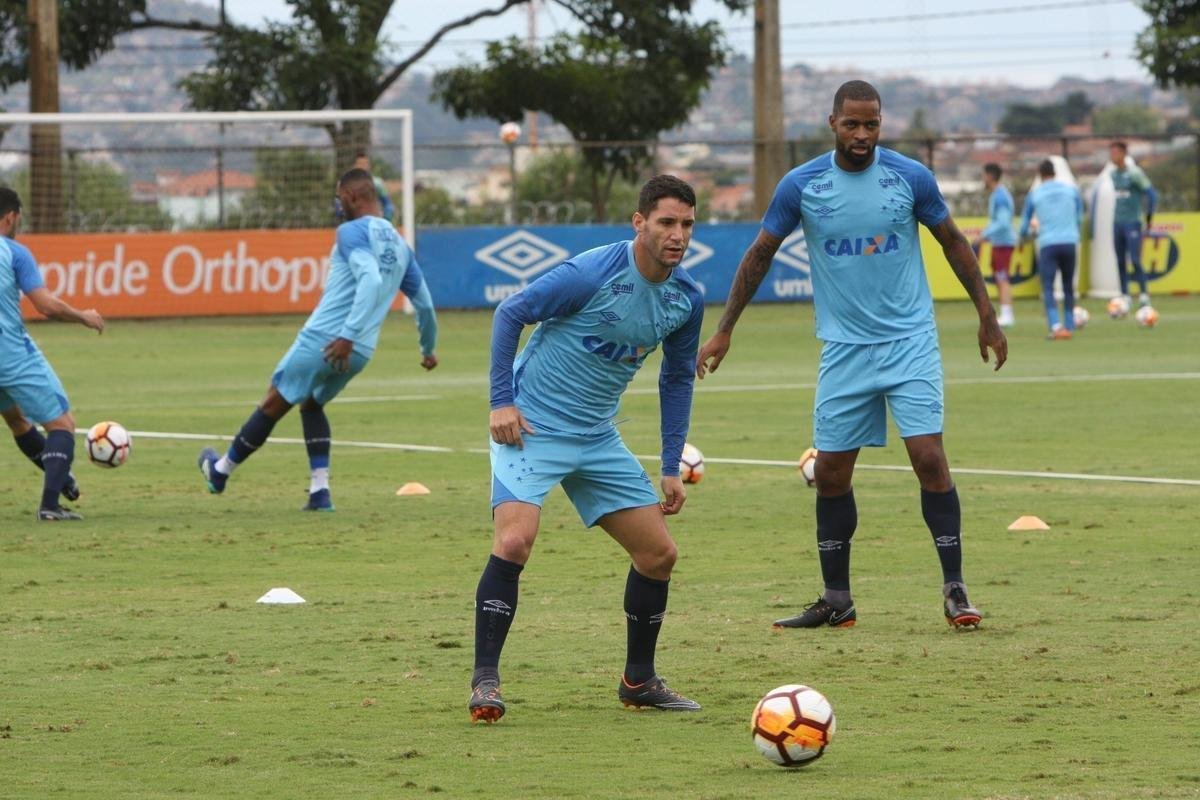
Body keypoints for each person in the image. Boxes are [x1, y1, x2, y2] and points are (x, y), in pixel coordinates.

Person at [695, 80, 1006, 632]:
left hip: (910, 341)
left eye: (872, 124)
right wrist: (724, 330)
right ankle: (836, 598)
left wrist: (986, 314)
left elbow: (953, 241)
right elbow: (761, 254)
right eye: (852, 124)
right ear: (832, 122)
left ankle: (955, 588)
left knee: (929, 458)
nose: (862, 135)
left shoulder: (909, 177)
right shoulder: (802, 184)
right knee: (832, 472)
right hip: (843, 350)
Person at [469, 174, 705, 723]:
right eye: (667, 222)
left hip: (597, 436)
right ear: (640, 223)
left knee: (658, 555)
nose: (678, 235)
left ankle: (639, 681)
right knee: (515, 541)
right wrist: (502, 402)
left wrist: (670, 465)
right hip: (530, 426)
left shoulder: (686, 297)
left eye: (687, 225)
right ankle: (485, 679)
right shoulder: (592, 272)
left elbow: (677, 379)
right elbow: (511, 313)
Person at [197, 168, 438, 510]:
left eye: (340, 198)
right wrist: (428, 349)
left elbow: (369, 279)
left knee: (273, 401)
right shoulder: (401, 246)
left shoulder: (351, 231)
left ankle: (219, 471)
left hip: (329, 340)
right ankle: (319, 491)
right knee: (311, 403)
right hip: (362, 351)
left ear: (353, 197)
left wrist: (347, 335)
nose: (338, 205)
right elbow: (425, 306)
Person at [0, 187, 104, 521]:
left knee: (16, 419)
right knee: (62, 424)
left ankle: (61, 478)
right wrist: (83, 316)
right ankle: (50, 505)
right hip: (10, 354)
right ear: (11, 216)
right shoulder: (15, 253)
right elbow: (45, 305)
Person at [1018, 159, 1084, 340]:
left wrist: (1024, 236)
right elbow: (1079, 218)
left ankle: (1055, 325)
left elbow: (1025, 223)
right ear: (1055, 173)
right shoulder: (1071, 191)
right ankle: (1069, 324)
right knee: (1068, 286)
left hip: (1048, 244)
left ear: (1040, 174)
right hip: (1070, 242)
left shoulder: (1035, 194)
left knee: (1048, 287)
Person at [1108, 141, 1158, 308]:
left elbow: (1152, 195)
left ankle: (1144, 294)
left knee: (1135, 259)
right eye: (1111, 153)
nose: (1112, 156)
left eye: (1115, 153)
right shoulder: (1113, 174)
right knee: (1120, 260)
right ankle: (1125, 295)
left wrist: (1149, 218)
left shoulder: (1135, 173)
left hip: (1133, 222)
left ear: (1123, 154)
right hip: (1117, 223)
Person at [976, 163, 1017, 328]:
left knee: (1002, 277)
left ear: (990, 176)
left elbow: (1003, 222)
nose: (982, 179)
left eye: (984, 175)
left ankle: (1008, 314)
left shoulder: (1000, 196)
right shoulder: (998, 194)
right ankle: (1005, 312)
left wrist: (984, 234)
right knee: (1000, 277)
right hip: (999, 242)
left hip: (1004, 243)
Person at [353, 152, 396, 223]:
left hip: (374, 222)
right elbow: (339, 206)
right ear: (355, 165)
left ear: (369, 165)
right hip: (355, 224)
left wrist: (385, 219)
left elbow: (388, 205)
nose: (363, 167)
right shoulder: (348, 184)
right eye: (360, 164)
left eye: (365, 164)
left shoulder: (377, 183)